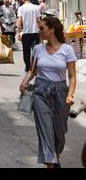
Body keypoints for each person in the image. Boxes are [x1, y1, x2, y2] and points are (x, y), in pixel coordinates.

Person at [19, 16, 76, 168]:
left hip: (60, 93)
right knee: (45, 131)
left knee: (59, 132)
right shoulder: (37, 49)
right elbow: (32, 71)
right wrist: (25, 81)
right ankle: (50, 163)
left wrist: (70, 94)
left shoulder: (67, 50)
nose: (39, 31)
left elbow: (72, 75)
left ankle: (56, 156)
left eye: (42, 28)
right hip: (40, 92)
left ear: (52, 30)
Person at [17, 0, 41, 72]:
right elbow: (38, 20)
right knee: (36, 50)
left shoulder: (21, 8)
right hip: (35, 32)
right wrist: (41, 30)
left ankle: (28, 66)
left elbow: (19, 21)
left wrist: (19, 32)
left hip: (26, 33)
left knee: (26, 51)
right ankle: (35, 67)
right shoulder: (36, 7)